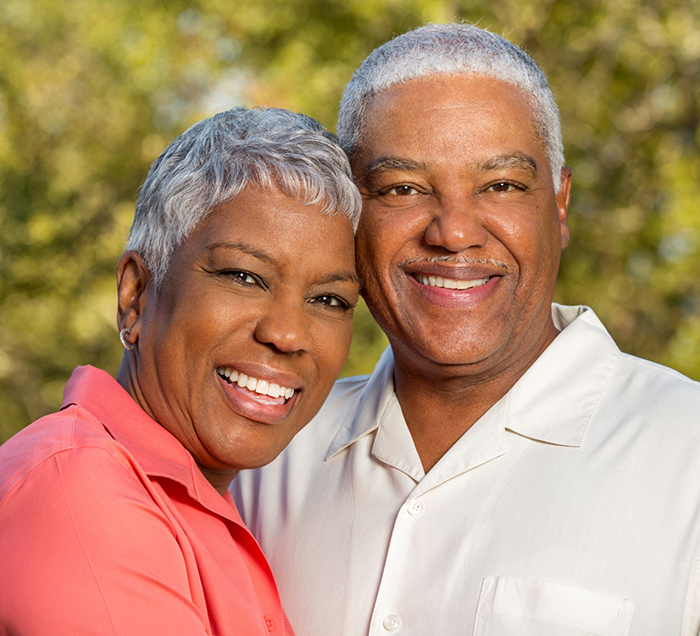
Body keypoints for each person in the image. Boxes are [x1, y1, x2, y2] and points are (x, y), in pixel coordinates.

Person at [231, 24, 700, 636]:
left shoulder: (686, 453)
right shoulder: (264, 456)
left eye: (500, 185)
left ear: (559, 206)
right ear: (349, 215)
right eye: (403, 188)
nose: (453, 232)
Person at [0, 107, 361, 635]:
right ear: (135, 295)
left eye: (329, 299)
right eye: (244, 276)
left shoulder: (208, 504)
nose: (288, 334)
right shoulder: (78, 488)